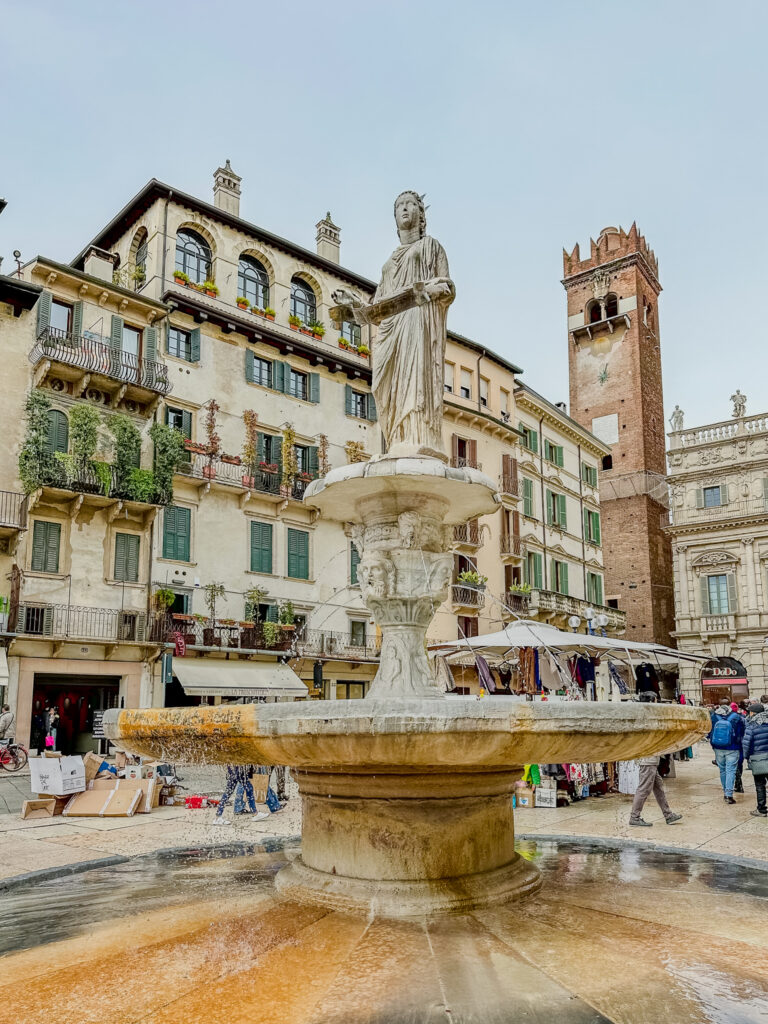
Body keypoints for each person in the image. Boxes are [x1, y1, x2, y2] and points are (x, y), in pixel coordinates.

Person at [629, 694, 683, 827]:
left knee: (658, 788)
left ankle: (668, 815)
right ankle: (634, 817)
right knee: (644, 789)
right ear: (651, 701)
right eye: (656, 700)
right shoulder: (647, 719)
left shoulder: (643, 717)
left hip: (651, 759)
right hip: (648, 760)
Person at [709, 698, 745, 803]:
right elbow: (742, 732)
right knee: (731, 770)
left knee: (722, 770)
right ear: (730, 704)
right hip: (733, 747)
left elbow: (709, 732)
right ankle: (728, 795)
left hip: (718, 747)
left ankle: (725, 791)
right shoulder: (736, 717)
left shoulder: (714, 716)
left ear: (719, 705)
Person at [742, 702, 768, 818]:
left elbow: (746, 745)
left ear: (753, 713)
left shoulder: (752, 726)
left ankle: (761, 809)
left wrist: (747, 757)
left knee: (760, 785)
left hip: (758, 759)